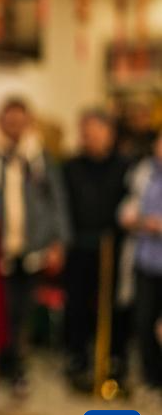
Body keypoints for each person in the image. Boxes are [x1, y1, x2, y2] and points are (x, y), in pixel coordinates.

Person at [0, 97, 70, 397]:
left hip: (31, 246)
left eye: (20, 121)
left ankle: (16, 365)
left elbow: (56, 201)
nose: (14, 126)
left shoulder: (38, 157)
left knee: (22, 311)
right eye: (9, 120)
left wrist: (58, 241)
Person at [62, 111, 131, 394]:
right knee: (77, 305)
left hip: (114, 248)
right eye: (85, 133)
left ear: (109, 134)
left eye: (95, 132)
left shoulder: (125, 166)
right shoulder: (70, 167)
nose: (89, 138)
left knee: (115, 306)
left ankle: (114, 360)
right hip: (78, 247)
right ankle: (78, 358)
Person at [118, 131, 162, 397]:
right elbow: (129, 205)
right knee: (144, 321)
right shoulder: (144, 171)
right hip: (145, 260)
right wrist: (131, 217)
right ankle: (150, 377)